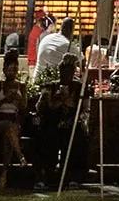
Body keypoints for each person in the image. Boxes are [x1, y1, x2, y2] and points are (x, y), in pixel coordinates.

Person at [36, 55, 85, 189]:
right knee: (47, 137)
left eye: (69, 73)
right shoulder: (51, 86)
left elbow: (83, 108)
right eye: (63, 72)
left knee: (75, 137)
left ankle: (71, 176)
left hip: (71, 123)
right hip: (53, 122)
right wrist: (53, 100)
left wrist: (69, 102)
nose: (66, 76)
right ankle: (46, 175)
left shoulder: (78, 87)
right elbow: (39, 107)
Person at [0, 51, 30, 187]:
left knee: (9, 137)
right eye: (10, 69)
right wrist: (3, 100)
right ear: (4, 70)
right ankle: (20, 156)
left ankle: (3, 176)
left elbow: (25, 110)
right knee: (8, 127)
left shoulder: (21, 86)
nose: (13, 72)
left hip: (14, 120)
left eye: (15, 69)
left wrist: (18, 100)